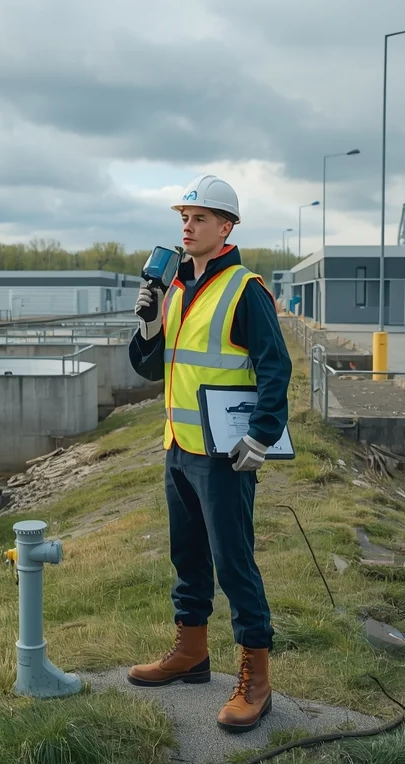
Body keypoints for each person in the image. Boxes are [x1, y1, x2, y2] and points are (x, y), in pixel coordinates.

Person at [126, 173, 292, 733]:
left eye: (198, 218)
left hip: (225, 456)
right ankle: (191, 654)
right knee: (187, 558)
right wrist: (148, 326)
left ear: (226, 227)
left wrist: (262, 435)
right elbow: (153, 367)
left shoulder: (245, 289)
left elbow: (275, 367)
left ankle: (256, 679)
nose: (187, 226)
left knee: (234, 564)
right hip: (178, 447)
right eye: (183, 218)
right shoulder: (174, 289)